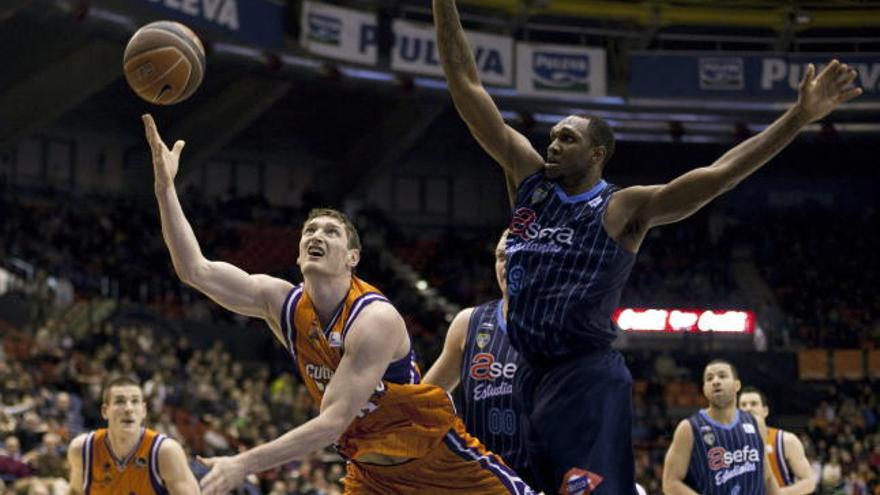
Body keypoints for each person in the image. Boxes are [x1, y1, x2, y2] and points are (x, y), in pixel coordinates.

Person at [431, 0, 862, 490]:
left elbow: (721, 176)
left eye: (566, 139)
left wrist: (798, 116)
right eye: (551, 135)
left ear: (596, 155)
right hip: (529, 374)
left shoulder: (622, 208)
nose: (551, 144)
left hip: (586, 377)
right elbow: (467, 88)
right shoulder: (528, 181)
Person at [142, 114, 534, 495]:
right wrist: (165, 189)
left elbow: (332, 424)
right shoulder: (279, 301)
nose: (318, 235)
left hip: (439, 463)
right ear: (298, 253)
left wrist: (242, 463)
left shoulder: (374, 318)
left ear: (352, 257)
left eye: (332, 232)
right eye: (310, 230)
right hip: (371, 476)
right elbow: (195, 270)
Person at [423, 230, 532, 485]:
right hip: (483, 479)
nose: (507, 265)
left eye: (519, 256)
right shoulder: (468, 323)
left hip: (542, 478)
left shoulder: (564, 327)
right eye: (502, 257)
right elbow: (425, 400)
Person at [662, 360, 780, 494]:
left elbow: (768, 477)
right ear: (705, 390)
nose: (716, 381)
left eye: (722, 376)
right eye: (709, 378)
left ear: (737, 385)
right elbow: (670, 482)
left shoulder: (756, 423)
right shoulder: (689, 428)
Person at [66, 377, 200, 495]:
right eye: (120, 401)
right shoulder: (83, 450)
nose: (129, 409)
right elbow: (76, 492)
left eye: (135, 401)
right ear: (105, 411)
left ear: (143, 411)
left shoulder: (164, 452)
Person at [739, 386, 818, 494]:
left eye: (754, 404)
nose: (748, 408)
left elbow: (809, 482)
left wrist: (779, 493)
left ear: (765, 411)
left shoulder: (786, 441)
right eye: (743, 405)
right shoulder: (728, 443)